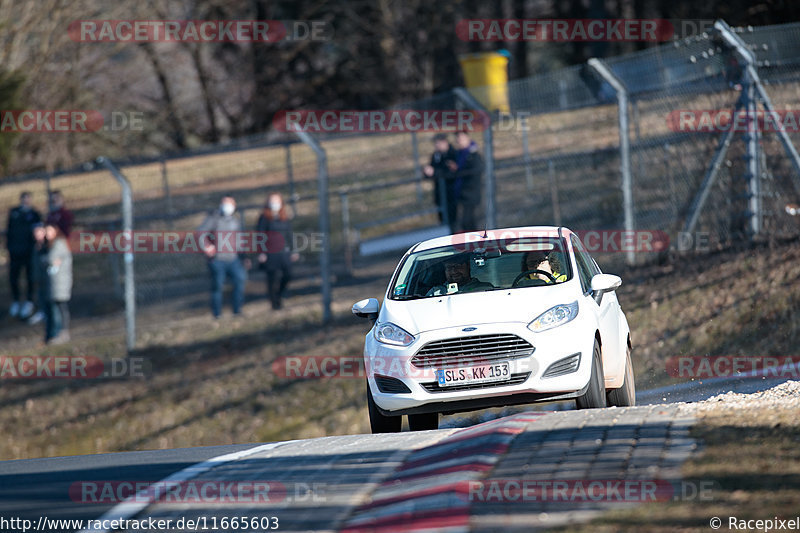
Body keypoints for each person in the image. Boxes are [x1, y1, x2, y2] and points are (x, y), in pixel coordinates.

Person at [198, 195, 248, 318]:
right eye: (225, 203)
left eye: (230, 203)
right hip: (217, 260)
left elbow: (240, 240)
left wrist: (244, 257)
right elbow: (200, 233)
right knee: (217, 287)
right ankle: (217, 314)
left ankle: (237, 311)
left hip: (233, 259)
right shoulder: (213, 219)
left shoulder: (235, 221)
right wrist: (207, 247)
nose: (227, 206)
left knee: (240, 281)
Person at [257, 193, 298, 310]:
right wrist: (261, 252)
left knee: (288, 274)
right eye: (272, 200)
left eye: (277, 201)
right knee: (272, 278)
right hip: (270, 252)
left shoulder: (284, 217)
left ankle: (279, 295)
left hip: (283, 251)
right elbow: (260, 236)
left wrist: (294, 250)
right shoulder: (264, 218)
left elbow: (290, 234)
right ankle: (274, 303)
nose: (274, 203)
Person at [6, 191, 41, 319]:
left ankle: (29, 302)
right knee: (13, 277)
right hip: (15, 252)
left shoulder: (35, 214)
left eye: (28, 199)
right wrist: (9, 248)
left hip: (29, 253)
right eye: (23, 199)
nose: (26, 201)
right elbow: (9, 231)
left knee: (30, 277)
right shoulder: (14, 212)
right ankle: (16, 301)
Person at [422, 133, 458, 233]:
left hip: (451, 194)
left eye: (438, 143)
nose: (436, 146)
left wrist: (435, 172)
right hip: (439, 194)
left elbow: (451, 173)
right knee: (442, 220)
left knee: (452, 221)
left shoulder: (453, 154)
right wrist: (427, 172)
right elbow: (431, 169)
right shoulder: (436, 155)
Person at [44, 223, 72, 344]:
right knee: (55, 308)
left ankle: (63, 333)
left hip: (60, 282)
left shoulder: (59, 244)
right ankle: (55, 333)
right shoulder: (50, 245)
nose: (47, 234)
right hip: (55, 282)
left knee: (61, 308)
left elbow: (52, 260)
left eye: (50, 231)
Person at [452, 130, 484, 233]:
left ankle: (476, 244)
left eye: (461, 139)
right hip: (462, 194)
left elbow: (474, 171)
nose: (459, 142)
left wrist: (458, 170)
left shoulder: (473, 155)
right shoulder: (458, 154)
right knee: (465, 222)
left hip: (471, 193)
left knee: (469, 221)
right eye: (458, 140)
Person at [426, 254, 493, 296]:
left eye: (458, 266)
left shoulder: (485, 288)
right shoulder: (435, 292)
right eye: (449, 268)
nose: (454, 271)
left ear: (468, 266)